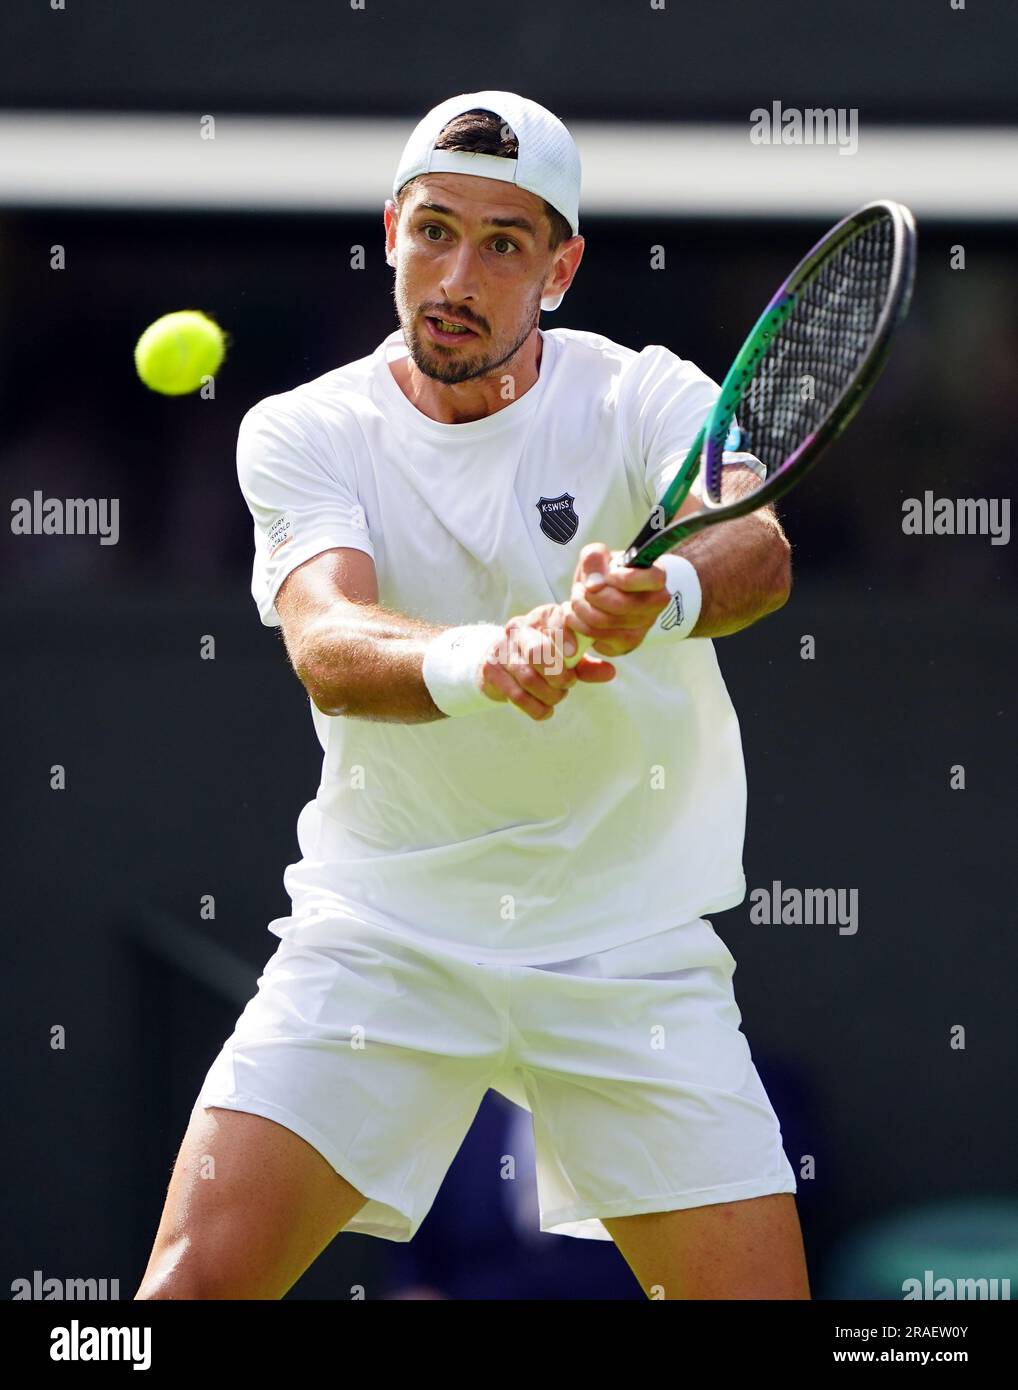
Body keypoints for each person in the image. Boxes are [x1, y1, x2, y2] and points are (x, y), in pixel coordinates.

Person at [136, 90, 809, 1301]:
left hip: (625, 941)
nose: (457, 272)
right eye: (434, 229)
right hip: (384, 933)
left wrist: (656, 598)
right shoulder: (302, 430)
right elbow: (329, 643)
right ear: (392, 228)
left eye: (503, 244)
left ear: (561, 267)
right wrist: (488, 659)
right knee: (182, 1298)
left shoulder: (643, 396)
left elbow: (754, 546)